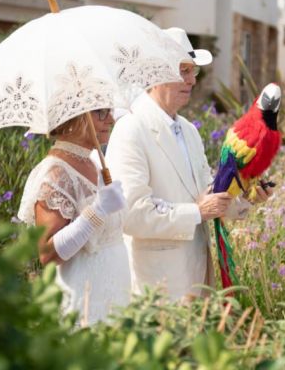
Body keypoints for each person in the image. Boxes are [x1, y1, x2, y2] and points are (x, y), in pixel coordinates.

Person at [106, 27, 271, 301]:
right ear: (155, 75)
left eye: (193, 71)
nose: (192, 80)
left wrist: (247, 197)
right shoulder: (131, 130)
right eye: (183, 71)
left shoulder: (189, 130)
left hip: (197, 281)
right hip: (155, 287)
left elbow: (208, 194)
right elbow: (131, 214)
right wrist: (196, 212)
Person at [17, 106, 130, 328]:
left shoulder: (95, 162)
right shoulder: (56, 173)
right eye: (101, 113)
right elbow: (47, 254)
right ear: (76, 117)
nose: (111, 119)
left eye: (110, 111)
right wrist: (98, 210)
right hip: (85, 297)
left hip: (116, 293)